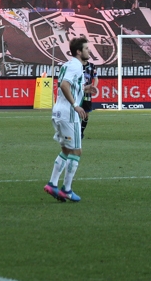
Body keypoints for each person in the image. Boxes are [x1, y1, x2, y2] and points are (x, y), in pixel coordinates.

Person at [44, 36, 89, 203]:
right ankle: (67, 190)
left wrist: (85, 88)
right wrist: (76, 105)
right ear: (79, 51)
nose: (89, 51)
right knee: (76, 151)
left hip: (58, 112)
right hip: (69, 114)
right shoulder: (76, 66)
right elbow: (64, 85)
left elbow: (70, 83)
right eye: (86, 49)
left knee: (66, 150)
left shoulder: (67, 64)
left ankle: (52, 184)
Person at [81, 56, 98, 137]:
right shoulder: (77, 66)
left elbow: (96, 78)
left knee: (86, 114)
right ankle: (75, 131)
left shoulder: (91, 66)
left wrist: (94, 86)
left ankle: (81, 131)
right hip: (78, 94)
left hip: (87, 94)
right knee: (76, 113)